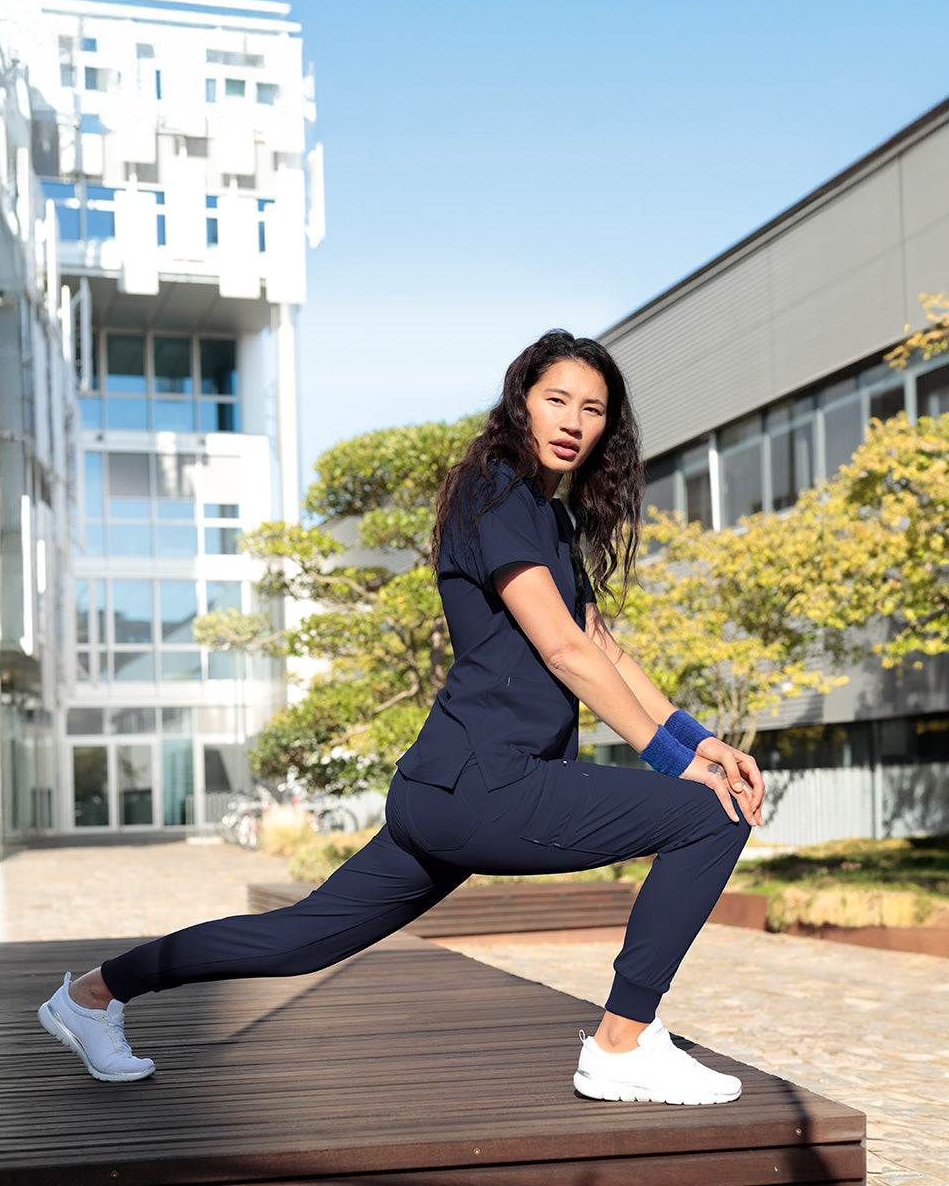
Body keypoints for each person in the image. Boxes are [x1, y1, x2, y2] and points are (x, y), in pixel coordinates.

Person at [39, 330, 764, 1105]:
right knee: (708, 817)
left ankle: (90, 996)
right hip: (490, 784)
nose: (572, 421)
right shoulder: (495, 491)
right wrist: (674, 764)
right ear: (521, 400)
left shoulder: (549, 519)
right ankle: (622, 1045)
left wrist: (702, 740)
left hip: (445, 786)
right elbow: (564, 652)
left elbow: (602, 647)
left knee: (301, 938)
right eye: (556, 399)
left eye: (592, 409)